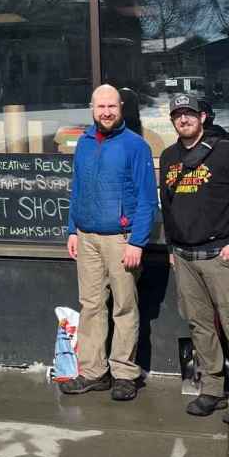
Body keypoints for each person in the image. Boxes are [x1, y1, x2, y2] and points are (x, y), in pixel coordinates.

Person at [160, 93, 229, 425]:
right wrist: (170, 248)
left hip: (219, 255)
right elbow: (167, 208)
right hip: (183, 256)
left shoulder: (226, 152)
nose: (183, 119)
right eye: (178, 115)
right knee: (199, 325)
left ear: (203, 117)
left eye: (189, 114)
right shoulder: (169, 157)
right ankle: (212, 388)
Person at [62, 84, 158, 401]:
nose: (106, 112)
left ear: (121, 108)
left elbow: (147, 200)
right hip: (87, 236)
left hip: (121, 239)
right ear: (92, 108)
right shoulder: (85, 143)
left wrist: (138, 242)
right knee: (90, 306)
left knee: (124, 307)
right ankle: (93, 372)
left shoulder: (136, 146)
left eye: (112, 107)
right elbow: (77, 188)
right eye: (101, 107)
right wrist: (72, 229)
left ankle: (124, 373)